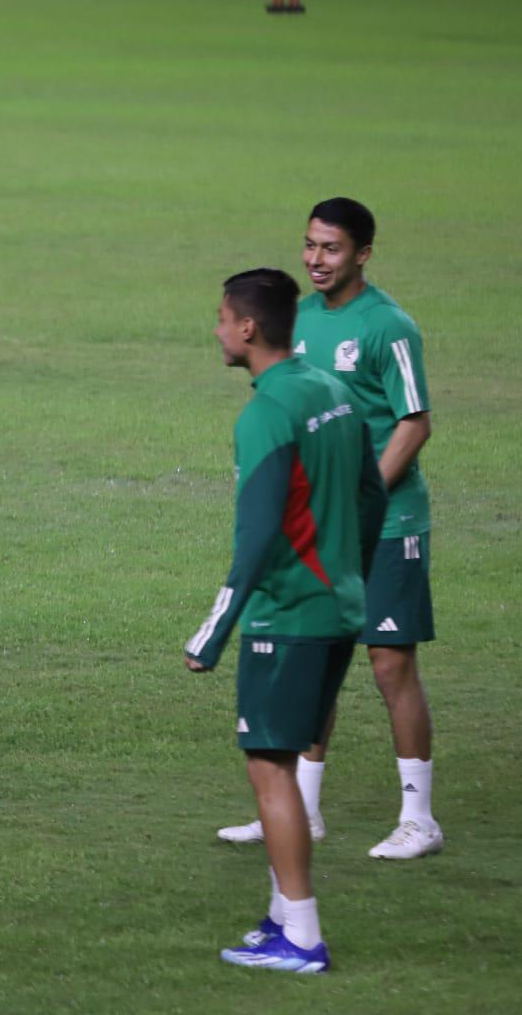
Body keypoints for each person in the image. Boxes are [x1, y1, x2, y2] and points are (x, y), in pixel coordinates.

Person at [217, 199, 442, 860]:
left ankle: (419, 817)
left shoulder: (389, 326)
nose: (316, 259)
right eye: (310, 246)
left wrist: (356, 489)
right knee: (314, 659)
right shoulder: (298, 321)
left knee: (390, 663)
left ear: (363, 254)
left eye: (332, 249)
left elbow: (414, 422)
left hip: (391, 518)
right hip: (325, 529)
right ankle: (303, 810)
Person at [185, 268, 387, 973]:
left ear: (247, 327)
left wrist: (213, 633)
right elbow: (371, 492)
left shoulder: (267, 411)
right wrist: (351, 573)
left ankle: (301, 936)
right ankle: (279, 921)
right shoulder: (332, 390)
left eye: (221, 317)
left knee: (268, 767)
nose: (215, 329)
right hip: (340, 607)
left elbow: (258, 532)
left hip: (290, 614)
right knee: (285, 764)